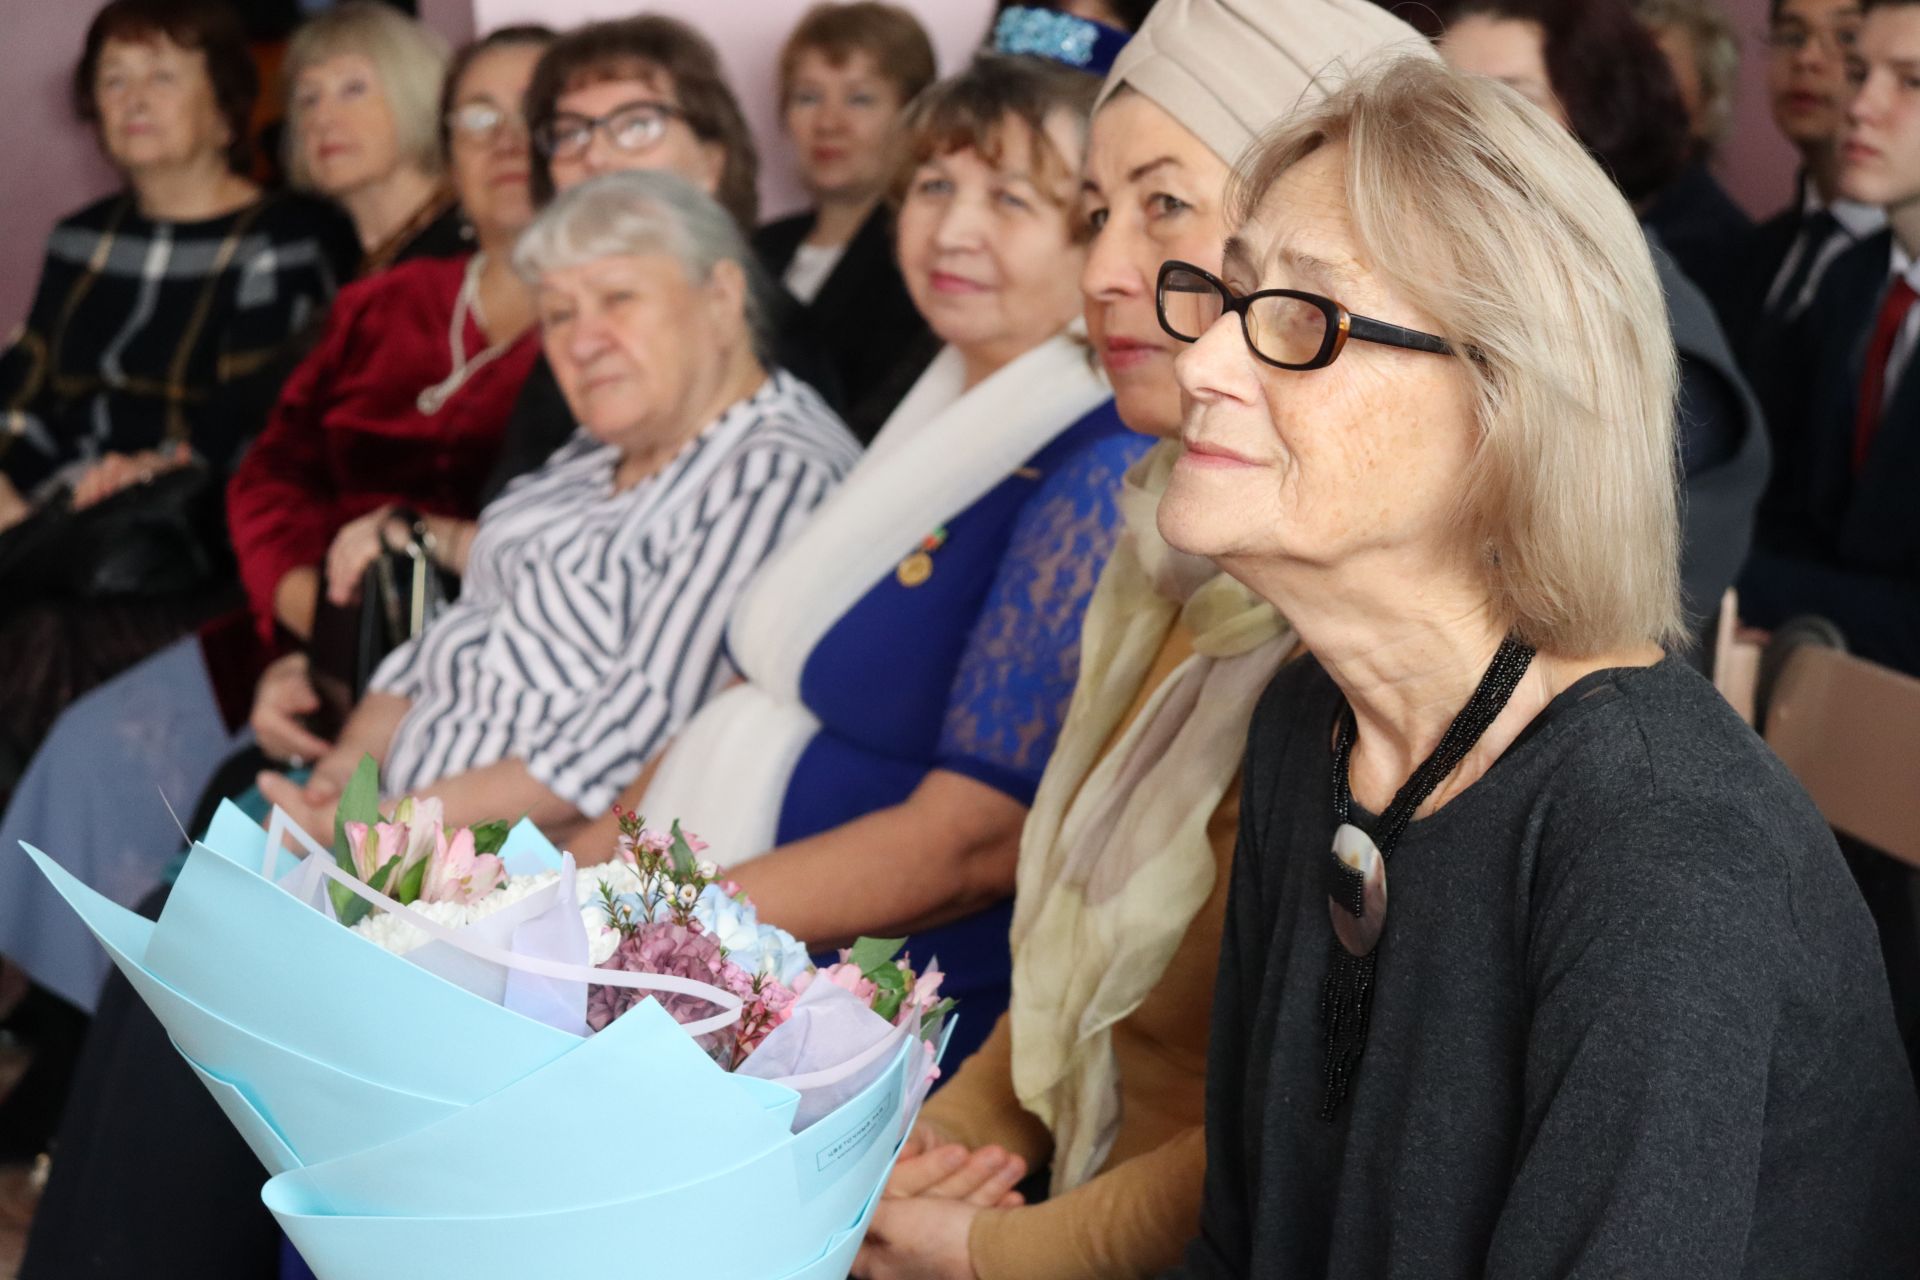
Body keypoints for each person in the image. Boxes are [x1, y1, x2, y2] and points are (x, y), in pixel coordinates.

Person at [1154, 53, 1920, 1278]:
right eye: (1224, 297)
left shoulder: (1661, 847)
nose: (1201, 363)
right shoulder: (1315, 721)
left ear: (1508, 403)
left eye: (1302, 320)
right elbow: (1236, 1244)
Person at [20, 171, 860, 1280]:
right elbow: (434, 651)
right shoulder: (586, 463)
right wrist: (345, 785)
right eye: (559, 314)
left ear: (718, 296)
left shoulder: (765, 463)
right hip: (390, 831)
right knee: (171, 950)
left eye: (618, 299)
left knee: (205, 990)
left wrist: (379, 839)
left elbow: (612, 742)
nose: (584, 339)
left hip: (504, 883)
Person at [853, 4, 1422, 1279]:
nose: (1107, 266)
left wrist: (986, 1252)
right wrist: (930, 1156)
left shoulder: (1362, 632)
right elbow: (1059, 985)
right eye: (1096, 212)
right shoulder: (1166, 552)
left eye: (1164, 208)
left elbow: (1295, 1132)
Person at [0, 26, 554, 1172]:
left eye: (529, 118)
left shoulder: (592, 316)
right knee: (95, 739)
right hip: (305, 617)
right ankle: (71, 1029)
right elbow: (272, 466)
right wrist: (301, 602)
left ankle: (118, 1070)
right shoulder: (392, 296)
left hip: (455, 659)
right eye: (481, 118)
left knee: (179, 774)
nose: (504, 145)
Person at [571, 52, 1149, 1075]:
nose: (954, 228)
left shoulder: (1094, 463)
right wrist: (565, 888)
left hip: (863, 1013)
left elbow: (972, 842)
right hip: (705, 933)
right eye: (933, 186)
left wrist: (661, 934)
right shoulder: (926, 411)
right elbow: (744, 694)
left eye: (1011, 197)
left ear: (1100, 232)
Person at [1439, 0, 1771, 647]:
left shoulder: (1653, 325)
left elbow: (1548, 583)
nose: (1457, 131)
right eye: (1440, 97)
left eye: (1509, 100)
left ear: (1597, 116)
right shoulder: (1475, 295)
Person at [1740, 0, 1920, 1084]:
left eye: (1911, 80)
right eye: (1860, 70)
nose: (1860, 102)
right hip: (1838, 788)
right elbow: (1796, 515)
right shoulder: (1854, 285)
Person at [478, 15, 842, 500]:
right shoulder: (574, 323)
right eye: (570, 133)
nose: (598, 157)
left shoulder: (774, 342)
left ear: (712, 164)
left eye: (637, 124)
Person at [756, 2, 938, 442]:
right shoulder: (755, 247)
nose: (829, 123)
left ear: (913, 116)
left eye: (860, 98)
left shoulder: (926, 258)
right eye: (808, 97)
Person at [1738, 0, 1885, 400]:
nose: (1806, 58)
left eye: (1846, 37)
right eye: (1792, 36)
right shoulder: (1752, 251)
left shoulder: (1902, 266)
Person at [282, 1, 467, 270]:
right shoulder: (330, 264)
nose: (321, 118)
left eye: (353, 89)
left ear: (415, 93)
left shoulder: (464, 249)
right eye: (308, 98)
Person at [1633, 0, 1756, 318]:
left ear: (1709, 102)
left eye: (1658, 66)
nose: (1631, 84)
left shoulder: (1721, 243)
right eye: (1624, 63)